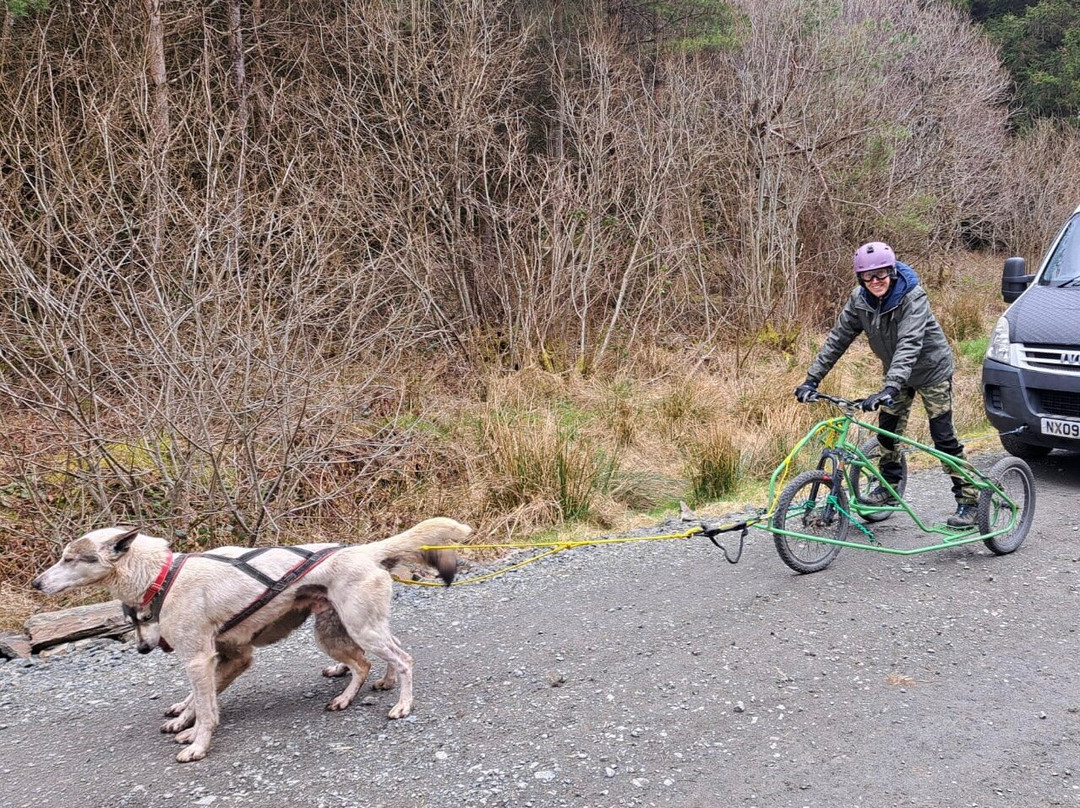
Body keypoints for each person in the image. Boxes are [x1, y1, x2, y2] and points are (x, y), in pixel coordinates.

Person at [793, 241, 978, 527]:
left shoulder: (912, 297)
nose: (875, 281)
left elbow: (909, 343)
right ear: (860, 278)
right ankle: (888, 489)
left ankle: (969, 501)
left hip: (931, 371)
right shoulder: (860, 300)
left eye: (881, 274)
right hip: (897, 375)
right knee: (887, 432)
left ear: (891, 272)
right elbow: (838, 339)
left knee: (943, 437)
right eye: (868, 276)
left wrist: (890, 386)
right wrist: (811, 379)